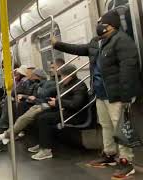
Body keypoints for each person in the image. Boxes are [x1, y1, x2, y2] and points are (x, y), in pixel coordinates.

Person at [52, 10, 141, 179]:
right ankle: (109, 154)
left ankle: (126, 162)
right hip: (100, 93)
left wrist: (127, 96)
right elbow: (79, 49)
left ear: (112, 26)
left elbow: (128, 69)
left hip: (116, 94)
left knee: (119, 127)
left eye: (102, 24)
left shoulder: (122, 41)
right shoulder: (96, 42)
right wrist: (58, 44)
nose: (99, 26)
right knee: (105, 125)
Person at [29, 65, 88, 160]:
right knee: (38, 115)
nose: (61, 78)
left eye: (63, 76)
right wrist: (54, 100)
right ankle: (42, 144)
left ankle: (46, 150)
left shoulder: (79, 85)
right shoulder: (65, 85)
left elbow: (76, 104)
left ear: (70, 76)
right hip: (64, 110)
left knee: (44, 119)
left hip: (74, 114)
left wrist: (57, 102)